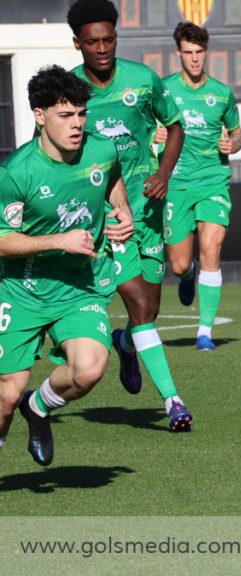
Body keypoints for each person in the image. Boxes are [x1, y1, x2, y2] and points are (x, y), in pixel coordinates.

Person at [67, 0, 193, 431]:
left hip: (150, 211)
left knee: (149, 311)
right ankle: (174, 402)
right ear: (78, 44)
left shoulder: (142, 81)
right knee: (139, 303)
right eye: (92, 42)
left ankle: (125, 342)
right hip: (108, 220)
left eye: (108, 39)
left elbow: (175, 125)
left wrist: (163, 171)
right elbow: (50, 152)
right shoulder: (68, 92)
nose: (102, 48)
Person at [0, 65, 134, 466]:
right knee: (5, 397)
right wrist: (58, 241)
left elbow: (111, 180)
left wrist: (121, 210)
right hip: (21, 291)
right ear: (39, 116)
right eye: (65, 115)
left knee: (90, 369)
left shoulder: (101, 149)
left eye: (81, 114)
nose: (77, 124)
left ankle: (38, 407)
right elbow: (3, 240)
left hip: (78, 288)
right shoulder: (15, 173)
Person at [156, 21, 241, 351]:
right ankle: (188, 273)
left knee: (212, 250)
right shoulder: (163, 90)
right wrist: (155, 135)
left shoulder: (221, 93)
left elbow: (237, 134)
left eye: (199, 53)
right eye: (188, 53)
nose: (195, 59)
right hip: (175, 185)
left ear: (206, 53)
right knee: (178, 264)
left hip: (212, 183)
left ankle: (204, 332)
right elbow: (145, 129)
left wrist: (232, 145)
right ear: (178, 53)